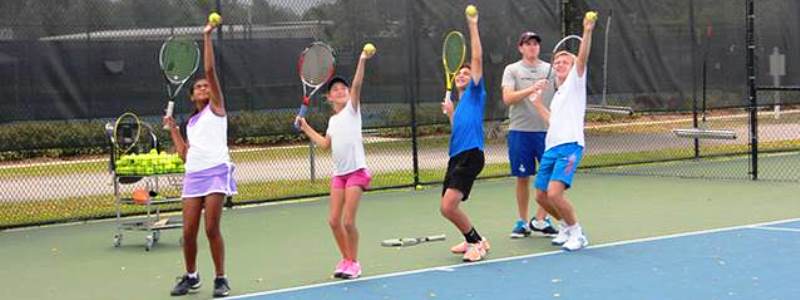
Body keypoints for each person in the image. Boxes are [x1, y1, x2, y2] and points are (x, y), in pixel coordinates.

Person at [164, 17, 235, 298]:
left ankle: (221, 278)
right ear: (192, 96)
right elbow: (184, 155)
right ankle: (191, 276)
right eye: (199, 88)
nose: (204, 88)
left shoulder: (217, 109)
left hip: (217, 171)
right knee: (189, 231)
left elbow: (209, 68)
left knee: (211, 228)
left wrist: (207, 36)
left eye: (207, 86)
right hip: (194, 175)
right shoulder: (191, 124)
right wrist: (172, 131)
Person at [295, 46, 375, 279]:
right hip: (339, 175)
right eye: (335, 89)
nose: (340, 90)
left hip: (357, 173)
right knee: (333, 221)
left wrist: (362, 59)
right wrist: (306, 126)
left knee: (348, 222)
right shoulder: (332, 121)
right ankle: (346, 259)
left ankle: (355, 263)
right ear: (329, 98)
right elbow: (324, 145)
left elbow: (358, 84)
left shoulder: (352, 110)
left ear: (349, 94)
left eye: (343, 88)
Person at [528, 12, 596, 252]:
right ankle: (565, 227)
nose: (559, 64)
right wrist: (537, 105)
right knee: (541, 197)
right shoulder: (558, 96)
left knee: (555, 194)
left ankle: (577, 232)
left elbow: (583, 57)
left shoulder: (576, 82)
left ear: (573, 65)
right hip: (551, 148)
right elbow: (552, 121)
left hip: (570, 146)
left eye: (564, 61)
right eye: (556, 62)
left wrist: (587, 30)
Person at [439, 6, 489, 262]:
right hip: (456, 156)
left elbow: (477, 59)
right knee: (446, 208)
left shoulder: (476, 93)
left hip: (471, 155)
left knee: (449, 205)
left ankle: (476, 242)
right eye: (460, 73)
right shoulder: (459, 107)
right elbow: (458, 130)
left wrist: (472, 25)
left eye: (467, 73)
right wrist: (450, 114)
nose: (462, 75)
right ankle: (474, 237)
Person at [501, 31, 559, 239]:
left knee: (550, 179)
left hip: (548, 133)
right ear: (521, 48)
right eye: (528, 44)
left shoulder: (551, 70)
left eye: (535, 43)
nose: (532, 47)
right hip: (520, 132)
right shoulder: (512, 70)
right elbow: (507, 98)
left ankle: (541, 220)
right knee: (522, 177)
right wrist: (532, 89)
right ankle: (523, 222)